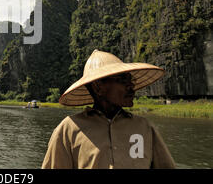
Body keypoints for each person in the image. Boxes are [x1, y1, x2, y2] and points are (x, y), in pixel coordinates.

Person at [42, 49, 176, 169]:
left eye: (131, 81)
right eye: (123, 80)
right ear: (98, 87)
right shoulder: (68, 130)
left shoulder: (144, 128)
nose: (131, 87)